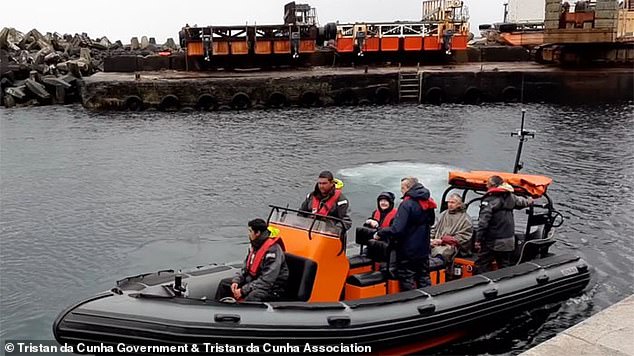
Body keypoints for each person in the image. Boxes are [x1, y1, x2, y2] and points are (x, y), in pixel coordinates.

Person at [376, 177, 437, 290]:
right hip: (423, 249)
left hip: (408, 250)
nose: (401, 191)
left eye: (402, 188)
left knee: (407, 277)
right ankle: (428, 299)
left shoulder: (406, 204)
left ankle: (411, 303)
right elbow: (431, 221)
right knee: (423, 276)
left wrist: (381, 232)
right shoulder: (428, 201)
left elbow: (397, 229)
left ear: (409, 188)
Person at [474, 175, 533, 274]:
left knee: (481, 264)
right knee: (504, 265)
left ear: (492, 185)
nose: (486, 185)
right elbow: (523, 202)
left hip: (493, 241)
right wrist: (530, 201)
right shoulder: (511, 197)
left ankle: (481, 285)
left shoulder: (489, 200)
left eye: (487, 183)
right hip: (509, 240)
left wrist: (478, 240)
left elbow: (483, 223)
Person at [221, 218, 289, 302]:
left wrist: (243, 290)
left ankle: (243, 313)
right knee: (224, 284)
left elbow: (267, 280)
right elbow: (245, 269)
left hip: (272, 288)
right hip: (254, 282)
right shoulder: (254, 246)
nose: (248, 234)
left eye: (250, 231)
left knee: (253, 296)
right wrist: (236, 281)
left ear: (257, 233)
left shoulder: (273, 251)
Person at [430, 193, 473, 262]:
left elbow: (464, 237)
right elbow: (433, 228)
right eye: (449, 202)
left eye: (452, 202)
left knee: (442, 252)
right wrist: (431, 240)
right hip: (436, 242)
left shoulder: (465, 219)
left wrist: (443, 241)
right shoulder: (443, 214)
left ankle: (436, 266)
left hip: (452, 246)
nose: (450, 204)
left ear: (459, 204)